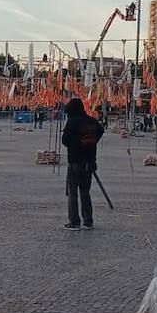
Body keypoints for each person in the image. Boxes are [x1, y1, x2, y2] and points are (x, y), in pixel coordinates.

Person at [60, 98, 104, 230]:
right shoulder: (91, 121)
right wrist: (91, 141)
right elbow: (100, 130)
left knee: (72, 193)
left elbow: (65, 140)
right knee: (85, 192)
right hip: (89, 162)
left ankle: (74, 221)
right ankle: (88, 220)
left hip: (75, 161)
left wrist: (75, 144)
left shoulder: (72, 122)